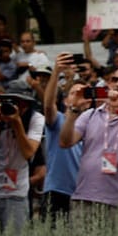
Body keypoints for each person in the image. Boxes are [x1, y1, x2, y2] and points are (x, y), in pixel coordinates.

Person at [60, 66, 118, 210]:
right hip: (85, 196)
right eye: (115, 79)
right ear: (108, 84)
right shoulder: (90, 115)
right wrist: (74, 110)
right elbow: (65, 142)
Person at [0, 82, 44, 231]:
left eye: (21, 103)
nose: (17, 107)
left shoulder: (36, 118)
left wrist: (17, 123)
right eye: (13, 102)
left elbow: (28, 152)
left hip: (15, 192)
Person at [39, 54, 84, 222]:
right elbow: (48, 105)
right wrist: (56, 71)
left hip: (83, 194)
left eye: (82, 94)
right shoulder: (58, 120)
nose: (78, 97)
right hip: (56, 191)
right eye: (74, 93)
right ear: (66, 100)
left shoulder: (92, 123)